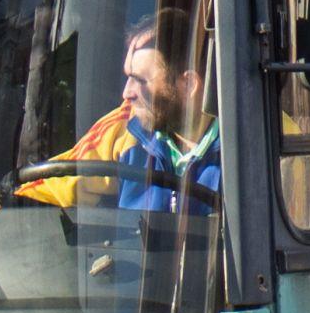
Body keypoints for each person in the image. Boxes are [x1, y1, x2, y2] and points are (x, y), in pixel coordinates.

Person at [22, 11, 220, 212]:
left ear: (188, 85)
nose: (127, 93)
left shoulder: (237, 151)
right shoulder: (127, 131)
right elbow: (43, 183)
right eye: (128, 77)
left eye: (140, 80)